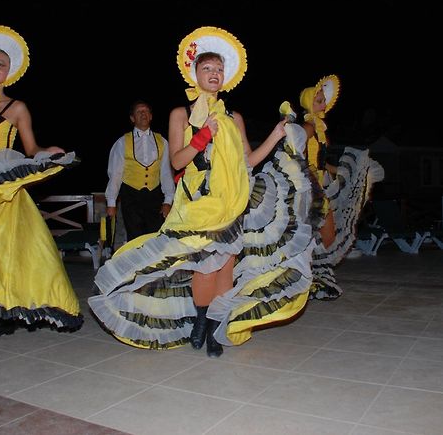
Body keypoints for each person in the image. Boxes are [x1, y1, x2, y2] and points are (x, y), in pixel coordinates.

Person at [89, 26, 315, 358]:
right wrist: (202, 136)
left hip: (232, 200)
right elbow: (177, 160)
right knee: (205, 266)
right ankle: (198, 320)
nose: (214, 73)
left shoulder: (233, 117)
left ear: (226, 77)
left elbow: (246, 161)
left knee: (225, 266)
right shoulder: (181, 113)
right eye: (207, 68)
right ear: (194, 73)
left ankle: (213, 328)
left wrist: (275, 135)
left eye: (219, 69)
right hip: (197, 202)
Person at [0, 25, 83, 338]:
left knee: (9, 252)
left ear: (9, 72)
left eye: (1, 65)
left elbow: (30, 149)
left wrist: (49, 152)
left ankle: (4, 310)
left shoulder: (17, 108)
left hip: (3, 189)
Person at [299, 75, 384, 299]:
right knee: (319, 235)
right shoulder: (307, 126)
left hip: (322, 183)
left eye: (323, 100)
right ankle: (308, 279)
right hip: (309, 187)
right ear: (309, 102)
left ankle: (312, 279)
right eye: (318, 100)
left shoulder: (320, 129)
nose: (322, 103)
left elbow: (321, 161)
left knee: (324, 236)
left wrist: (345, 172)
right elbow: (293, 149)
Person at [105, 100, 175, 242]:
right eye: (139, 111)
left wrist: (168, 200)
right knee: (135, 239)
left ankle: (154, 265)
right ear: (132, 118)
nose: (143, 114)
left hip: (155, 197)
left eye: (146, 111)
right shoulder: (122, 142)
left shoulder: (162, 141)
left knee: (156, 238)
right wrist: (111, 203)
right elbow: (115, 174)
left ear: (150, 116)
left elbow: (166, 172)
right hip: (131, 197)